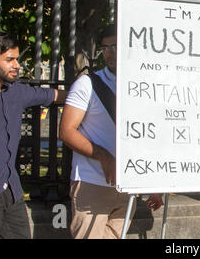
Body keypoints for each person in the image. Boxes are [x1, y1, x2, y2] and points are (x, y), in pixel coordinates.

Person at [59, 23, 163, 239]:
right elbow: (67, 131)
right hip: (92, 183)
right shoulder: (87, 84)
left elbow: (151, 134)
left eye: (115, 46)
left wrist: (154, 182)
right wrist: (103, 156)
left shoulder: (147, 83)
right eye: (105, 48)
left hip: (128, 185)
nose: (109, 53)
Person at [0, 30, 66, 239]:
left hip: (11, 190)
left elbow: (55, 95)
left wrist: (89, 92)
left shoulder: (17, 91)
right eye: (9, 60)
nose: (17, 65)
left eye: (17, 59)